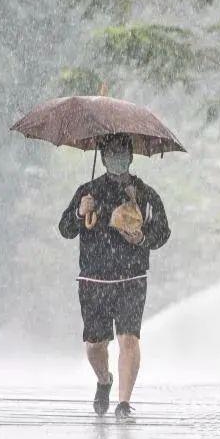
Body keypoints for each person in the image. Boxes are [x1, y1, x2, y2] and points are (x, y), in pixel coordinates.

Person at [58, 133, 170, 421]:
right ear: (103, 156)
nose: (117, 158)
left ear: (131, 156)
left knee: (129, 339)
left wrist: (143, 238)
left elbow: (163, 232)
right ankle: (104, 380)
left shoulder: (145, 195)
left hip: (132, 279)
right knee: (95, 345)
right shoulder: (88, 192)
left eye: (123, 152)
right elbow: (65, 229)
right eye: (111, 152)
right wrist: (80, 212)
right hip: (94, 280)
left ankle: (123, 403)